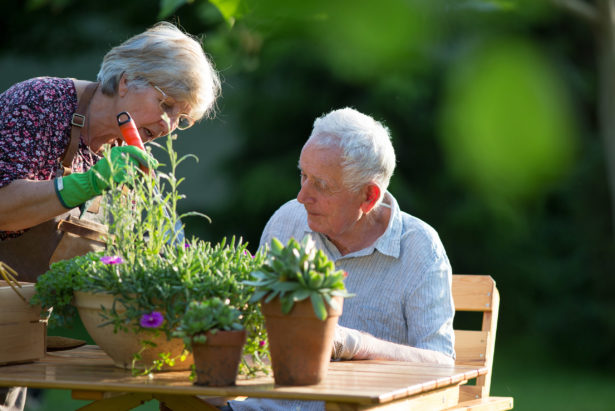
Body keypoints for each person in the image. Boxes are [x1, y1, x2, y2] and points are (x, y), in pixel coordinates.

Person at [0, 21, 220, 411]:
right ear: (126, 81)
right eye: (167, 105)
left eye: (181, 118)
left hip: (21, 335)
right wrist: (86, 184)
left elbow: (159, 251)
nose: (169, 126)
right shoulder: (41, 103)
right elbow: (4, 209)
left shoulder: (132, 161)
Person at [228, 107, 455, 411]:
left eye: (320, 185)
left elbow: (440, 364)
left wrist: (357, 345)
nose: (302, 196)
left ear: (368, 197)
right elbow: (253, 324)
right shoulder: (287, 221)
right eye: (303, 176)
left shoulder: (419, 248)